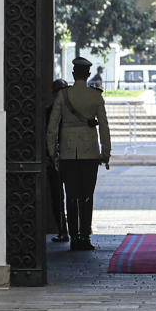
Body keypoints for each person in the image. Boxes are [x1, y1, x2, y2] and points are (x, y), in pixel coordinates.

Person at [46, 56, 111, 251]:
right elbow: (104, 128)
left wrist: (52, 153)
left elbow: (52, 128)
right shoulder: (95, 96)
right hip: (90, 152)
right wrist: (105, 152)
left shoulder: (63, 96)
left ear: (74, 74)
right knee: (87, 196)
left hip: (68, 153)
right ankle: (85, 235)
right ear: (88, 74)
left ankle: (74, 236)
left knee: (71, 196)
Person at [47, 79, 69, 243]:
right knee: (57, 197)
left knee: (71, 196)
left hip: (69, 156)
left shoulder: (69, 111)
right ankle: (63, 229)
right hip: (55, 158)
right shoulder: (48, 111)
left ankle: (72, 230)